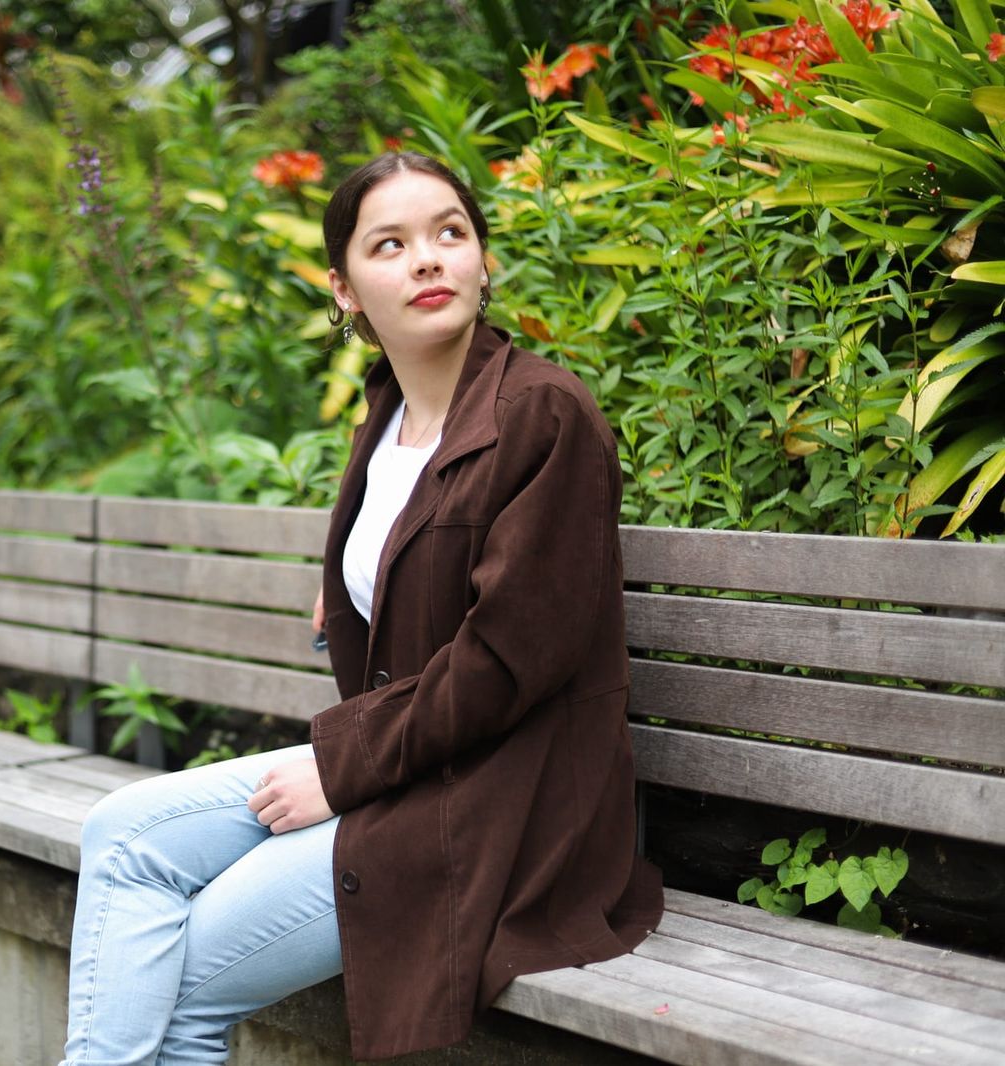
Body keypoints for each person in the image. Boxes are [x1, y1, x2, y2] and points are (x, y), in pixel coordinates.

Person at [57, 151, 663, 1066]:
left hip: (506, 804)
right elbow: (431, 552)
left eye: (449, 234)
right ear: (344, 290)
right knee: (122, 834)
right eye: (392, 244)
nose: (428, 259)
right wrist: (357, 573)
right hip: (416, 765)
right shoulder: (389, 416)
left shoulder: (543, 414)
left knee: (177, 976)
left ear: (484, 262)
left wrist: (341, 772)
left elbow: (504, 661)